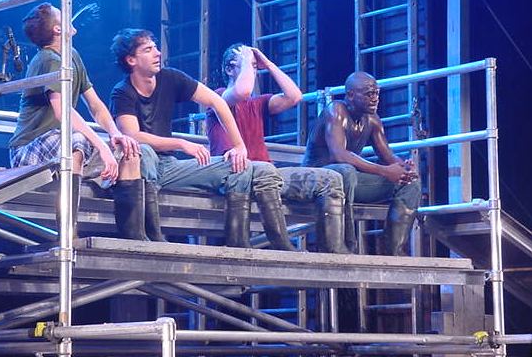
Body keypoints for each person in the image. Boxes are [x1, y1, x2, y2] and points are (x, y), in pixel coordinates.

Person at [109, 29, 297, 250]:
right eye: (148, 49)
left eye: (156, 47)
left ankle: (238, 245)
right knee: (144, 151)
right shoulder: (122, 92)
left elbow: (217, 101)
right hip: (141, 168)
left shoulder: (170, 77)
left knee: (240, 166)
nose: (158, 53)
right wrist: (181, 143)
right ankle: (153, 236)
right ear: (131, 60)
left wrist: (239, 146)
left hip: (168, 167)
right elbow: (133, 135)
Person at [9, 2, 144, 240]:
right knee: (77, 140)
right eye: (62, 14)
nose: (68, 13)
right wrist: (101, 146)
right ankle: (67, 235)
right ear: (57, 29)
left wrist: (114, 134)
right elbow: (63, 112)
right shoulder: (48, 59)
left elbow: (95, 105)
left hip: (60, 147)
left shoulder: (72, 55)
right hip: (28, 151)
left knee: (128, 150)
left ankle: (134, 237)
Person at [206, 44, 350, 254]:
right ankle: (283, 246)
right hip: (237, 176)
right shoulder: (218, 98)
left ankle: (334, 252)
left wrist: (268, 64)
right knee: (265, 173)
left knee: (331, 179)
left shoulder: (257, 103)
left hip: (269, 176)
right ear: (229, 69)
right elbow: (242, 91)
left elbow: (294, 96)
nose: (253, 71)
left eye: (254, 67)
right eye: (246, 65)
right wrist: (247, 59)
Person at [302, 71, 421, 256]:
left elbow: (388, 157)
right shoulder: (336, 111)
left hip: (349, 183)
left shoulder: (372, 119)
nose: (375, 98)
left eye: (377, 93)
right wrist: (385, 171)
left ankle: (394, 251)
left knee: (410, 182)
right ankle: (344, 246)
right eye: (369, 94)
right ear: (350, 95)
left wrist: (404, 168)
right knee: (345, 171)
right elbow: (339, 154)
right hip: (317, 183)